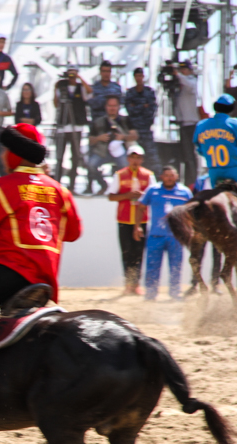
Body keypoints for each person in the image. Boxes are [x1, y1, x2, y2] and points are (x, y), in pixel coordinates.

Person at [0, 124, 82, 310]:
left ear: (17, 153)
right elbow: (73, 233)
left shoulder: (2, 187)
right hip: (46, 282)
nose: (3, 155)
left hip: (6, 279)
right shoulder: (60, 191)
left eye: (6, 150)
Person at [135, 166, 191, 301]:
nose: (169, 178)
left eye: (172, 175)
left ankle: (175, 293)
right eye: (166, 175)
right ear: (161, 176)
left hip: (176, 237)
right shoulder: (152, 190)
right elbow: (141, 207)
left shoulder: (185, 192)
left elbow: (192, 213)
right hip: (155, 235)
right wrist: (137, 227)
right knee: (152, 265)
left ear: (177, 176)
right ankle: (150, 294)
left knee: (176, 266)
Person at [106, 145, 155, 295]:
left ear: (142, 159)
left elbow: (153, 196)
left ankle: (136, 284)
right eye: (133, 157)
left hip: (142, 220)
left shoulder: (148, 175)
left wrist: (142, 196)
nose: (135, 160)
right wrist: (127, 196)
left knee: (139, 252)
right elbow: (110, 196)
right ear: (128, 159)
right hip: (124, 219)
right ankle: (128, 283)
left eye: (138, 157)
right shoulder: (119, 175)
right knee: (126, 252)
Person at [87, 95, 138, 194]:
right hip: (102, 152)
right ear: (106, 107)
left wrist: (123, 137)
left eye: (114, 106)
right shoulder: (98, 122)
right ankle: (103, 185)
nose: (112, 108)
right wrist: (98, 138)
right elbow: (90, 140)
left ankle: (123, 189)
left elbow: (135, 136)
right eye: (110, 106)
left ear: (119, 106)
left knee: (126, 165)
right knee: (91, 164)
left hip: (120, 152)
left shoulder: (125, 120)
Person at [53, 66, 91, 193]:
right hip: (63, 126)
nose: (71, 78)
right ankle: (57, 184)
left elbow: (90, 93)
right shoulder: (62, 87)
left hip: (77, 126)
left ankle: (72, 186)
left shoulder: (80, 88)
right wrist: (56, 88)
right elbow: (56, 103)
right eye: (70, 75)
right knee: (60, 157)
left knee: (75, 157)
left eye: (73, 75)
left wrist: (79, 78)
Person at [125, 67, 159, 173]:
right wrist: (143, 106)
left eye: (140, 76)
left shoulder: (149, 92)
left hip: (146, 129)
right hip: (134, 131)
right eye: (137, 76)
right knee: (133, 156)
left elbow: (151, 111)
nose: (139, 78)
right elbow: (130, 111)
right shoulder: (130, 93)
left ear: (143, 77)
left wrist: (137, 106)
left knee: (151, 157)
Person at [174, 60, 200, 187]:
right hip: (182, 123)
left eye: (184, 69)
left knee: (191, 155)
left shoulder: (192, 80)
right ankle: (186, 179)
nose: (182, 71)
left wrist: (177, 74)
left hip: (192, 123)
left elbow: (190, 86)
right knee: (185, 154)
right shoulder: (180, 83)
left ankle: (193, 180)